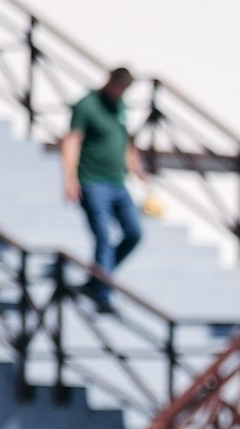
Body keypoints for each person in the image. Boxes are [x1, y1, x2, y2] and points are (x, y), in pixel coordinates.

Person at [61, 68, 149, 312]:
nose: (121, 92)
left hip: (117, 182)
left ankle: (98, 278)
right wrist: (70, 180)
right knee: (103, 236)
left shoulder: (120, 107)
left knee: (134, 233)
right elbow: (71, 141)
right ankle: (102, 293)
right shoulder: (88, 105)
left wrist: (137, 169)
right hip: (92, 181)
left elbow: (126, 142)